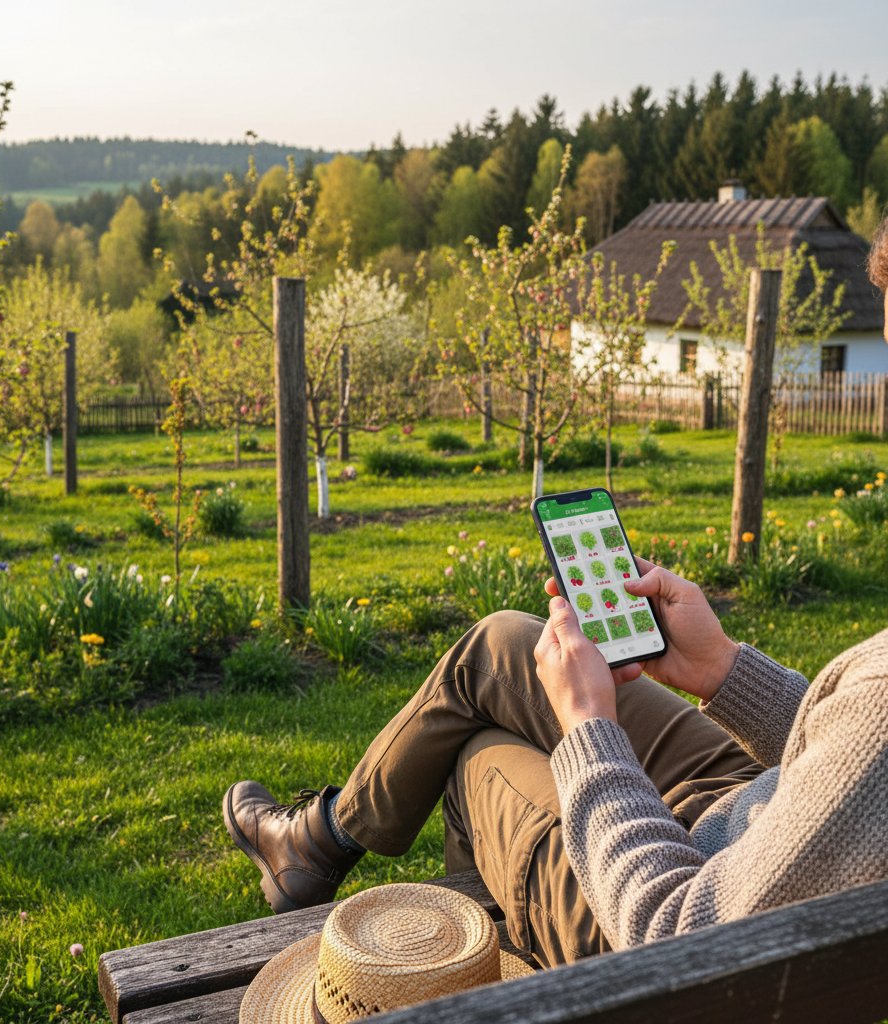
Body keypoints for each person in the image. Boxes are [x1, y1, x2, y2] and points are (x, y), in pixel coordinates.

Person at [223, 223, 888, 969]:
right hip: (767, 806)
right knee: (499, 647)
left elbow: (677, 938)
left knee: (476, 751)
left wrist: (587, 731)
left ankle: (421, 922)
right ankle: (319, 839)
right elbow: (856, 769)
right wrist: (726, 673)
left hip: (659, 910)